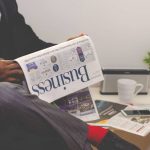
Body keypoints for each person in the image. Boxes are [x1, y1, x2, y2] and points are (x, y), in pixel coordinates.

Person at [0, 0, 140, 149]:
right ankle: (100, 137)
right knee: (4, 92)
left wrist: (66, 50)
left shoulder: (7, 4)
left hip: (23, 99)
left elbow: (32, 46)